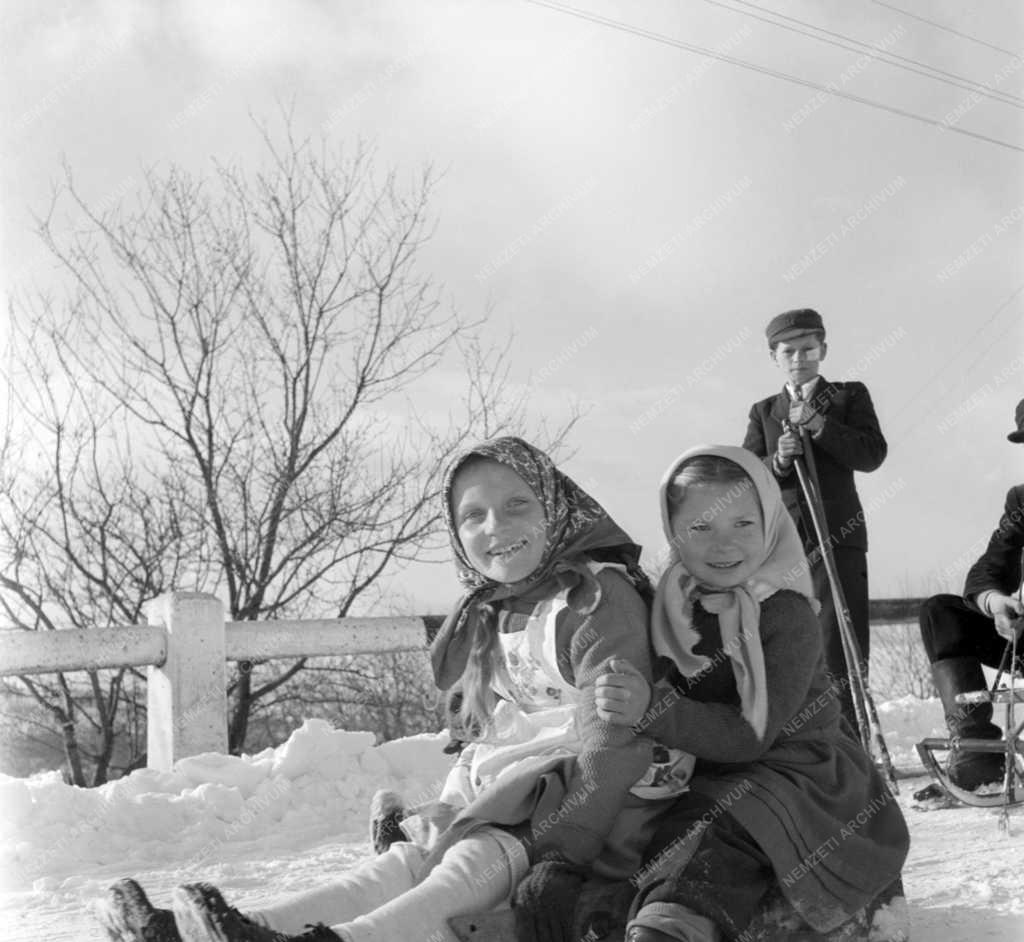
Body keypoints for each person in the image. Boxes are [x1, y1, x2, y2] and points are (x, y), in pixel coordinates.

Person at [95, 436, 692, 942]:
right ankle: (243, 926)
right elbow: (491, 723)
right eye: (473, 516)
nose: (497, 528)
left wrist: (564, 841)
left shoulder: (593, 598)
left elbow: (615, 739)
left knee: (464, 860)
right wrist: (460, 801)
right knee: (413, 857)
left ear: (556, 507)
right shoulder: (493, 609)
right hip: (526, 779)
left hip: (603, 795)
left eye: (518, 506)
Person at [595, 445, 908, 942]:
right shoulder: (671, 606)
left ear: (771, 523)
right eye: (700, 528)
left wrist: (651, 708)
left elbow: (750, 736)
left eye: (744, 523)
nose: (724, 545)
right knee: (641, 826)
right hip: (710, 763)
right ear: (672, 530)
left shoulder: (786, 613)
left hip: (799, 769)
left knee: (723, 829)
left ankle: (670, 926)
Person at [742, 308, 887, 728]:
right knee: (791, 644)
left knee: (840, 644)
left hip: (837, 539)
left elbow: (872, 454)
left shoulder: (848, 396)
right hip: (783, 547)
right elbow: (747, 480)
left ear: (823, 349)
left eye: (808, 349)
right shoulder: (764, 411)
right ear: (774, 357)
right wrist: (779, 461)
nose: (799, 358)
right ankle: (805, 747)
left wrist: (820, 424)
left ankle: (851, 744)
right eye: (789, 351)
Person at [917, 397, 1024, 791]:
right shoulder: (1021, 501)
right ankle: (978, 760)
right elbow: (986, 571)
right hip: (1022, 640)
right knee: (940, 612)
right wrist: (997, 603)